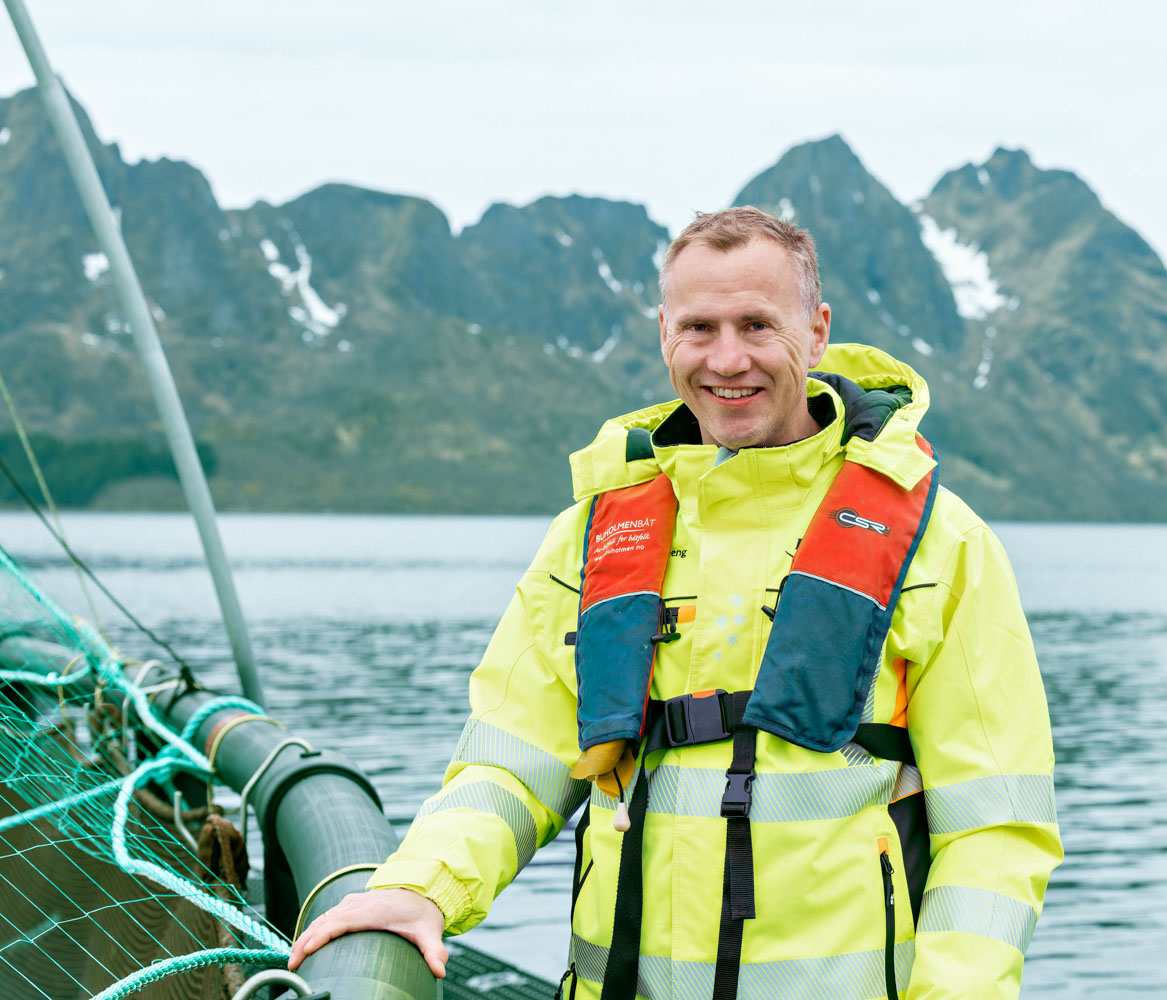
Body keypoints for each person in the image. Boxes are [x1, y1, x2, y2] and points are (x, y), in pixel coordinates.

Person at [289, 207, 1062, 999]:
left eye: (758, 324)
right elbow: (511, 766)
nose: (728, 359)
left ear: (818, 328)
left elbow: (995, 829)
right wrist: (420, 887)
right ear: (665, 333)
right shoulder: (592, 537)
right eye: (699, 328)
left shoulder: (943, 543)